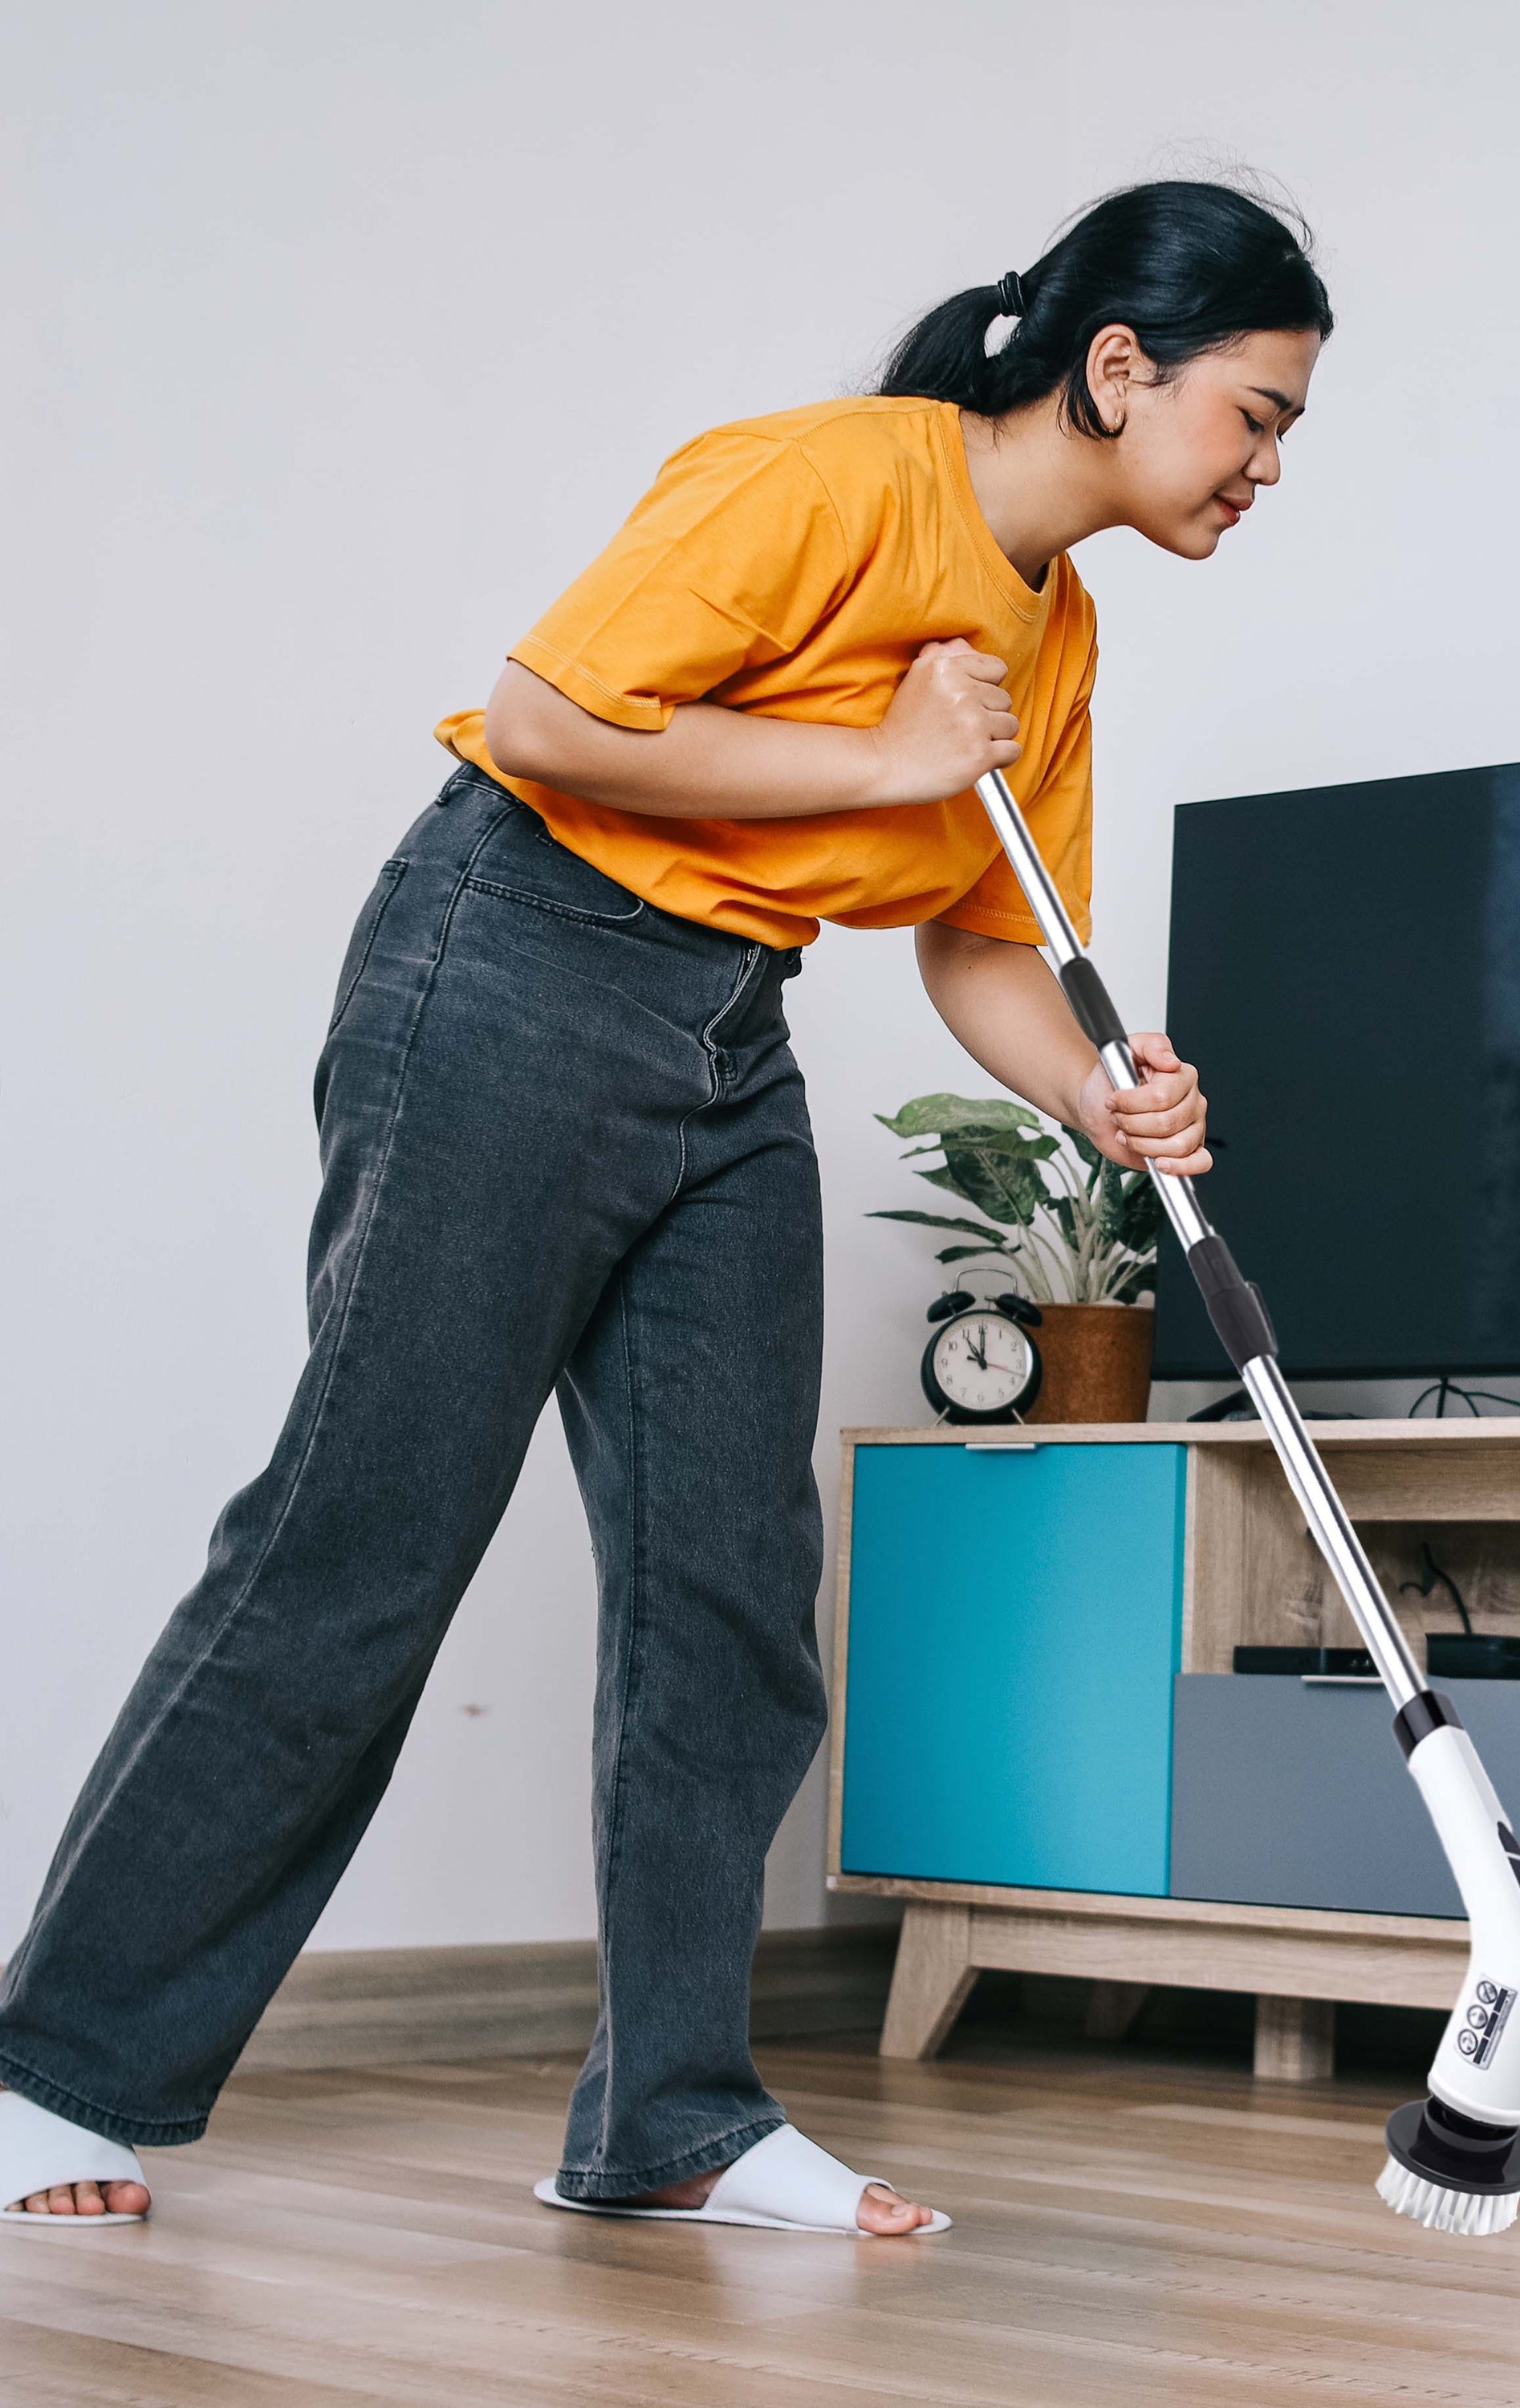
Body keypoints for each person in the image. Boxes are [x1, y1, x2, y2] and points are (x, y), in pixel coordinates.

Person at [0, 178, 1331, 2234]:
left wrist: (1097, 1090)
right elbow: (549, 722)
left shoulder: (1057, 632)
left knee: (729, 1586)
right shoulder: (830, 480)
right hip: (513, 959)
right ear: (1119, 365)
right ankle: (55, 2069)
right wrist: (887, 753)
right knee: (365, 1531)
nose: (1265, 470)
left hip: (725, 1029)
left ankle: (674, 2119)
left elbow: (981, 939)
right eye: (1254, 416)